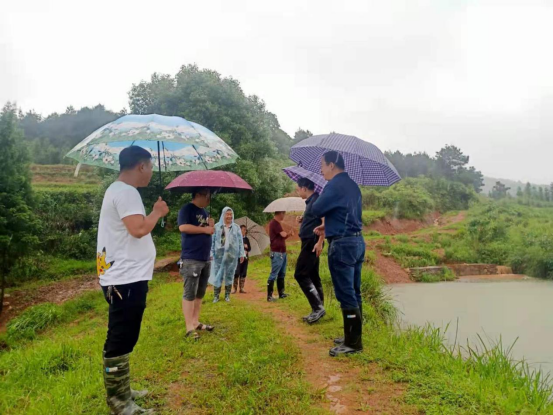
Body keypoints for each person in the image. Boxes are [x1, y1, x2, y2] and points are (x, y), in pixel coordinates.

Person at [98, 145, 169, 414]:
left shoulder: (118, 190)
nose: (151, 172)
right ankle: (119, 402)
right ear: (141, 166)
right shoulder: (126, 192)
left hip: (125, 276)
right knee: (120, 337)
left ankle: (122, 391)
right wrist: (157, 212)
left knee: (125, 335)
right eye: (150, 167)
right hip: (124, 278)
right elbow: (138, 229)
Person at [312, 151, 365, 357]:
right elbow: (347, 214)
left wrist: (320, 193)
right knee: (355, 291)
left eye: (323, 165)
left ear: (332, 165)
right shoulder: (353, 186)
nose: (321, 170)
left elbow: (317, 209)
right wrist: (329, 226)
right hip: (357, 241)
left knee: (345, 293)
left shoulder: (333, 185)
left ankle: (353, 344)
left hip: (342, 244)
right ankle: (353, 337)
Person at [178, 188, 215, 340]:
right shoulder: (187, 209)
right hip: (191, 258)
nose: (209, 198)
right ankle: (189, 327)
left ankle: (195, 321)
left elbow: (206, 230)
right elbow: (183, 227)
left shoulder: (205, 212)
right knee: (190, 293)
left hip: (205, 258)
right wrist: (206, 230)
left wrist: (210, 225)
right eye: (207, 195)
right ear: (198, 194)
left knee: (200, 292)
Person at [295, 178, 326, 324]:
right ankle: (318, 309)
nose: (297, 190)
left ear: (305, 188)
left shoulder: (316, 201)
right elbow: (316, 219)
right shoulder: (311, 201)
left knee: (300, 274)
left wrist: (320, 242)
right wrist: (304, 219)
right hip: (309, 241)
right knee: (313, 275)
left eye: (298, 188)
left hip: (312, 242)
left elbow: (325, 221)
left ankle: (318, 308)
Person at [209, 207, 246, 302]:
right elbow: (212, 241)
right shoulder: (217, 227)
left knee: (230, 274)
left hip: (231, 255)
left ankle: (227, 296)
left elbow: (240, 241)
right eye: (227, 214)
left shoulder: (236, 227)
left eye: (231, 214)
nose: (229, 216)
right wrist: (211, 253)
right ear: (223, 215)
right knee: (218, 274)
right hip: (219, 255)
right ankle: (216, 296)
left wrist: (241, 254)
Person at [267, 211, 293, 302]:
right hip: (277, 252)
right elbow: (283, 234)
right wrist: (287, 233)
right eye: (284, 213)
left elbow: (282, 237)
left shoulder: (277, 224)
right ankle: (269, 296)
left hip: (282, 252)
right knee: (274, 274)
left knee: (282, 273)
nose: (284, 215)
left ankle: (281, 293)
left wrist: (288, 234)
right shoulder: (275, 223)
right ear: (280, 213)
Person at [232, 225, 251, 294]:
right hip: (238, 258)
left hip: (245, 258)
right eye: (243, 229)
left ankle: (242, 288)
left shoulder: (246, 239)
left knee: (243, 273)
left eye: (245, 230)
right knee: (236, 272)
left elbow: (249, 248)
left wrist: (247, 248)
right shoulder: (236, 239)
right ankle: (234, 288)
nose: (244, 231)